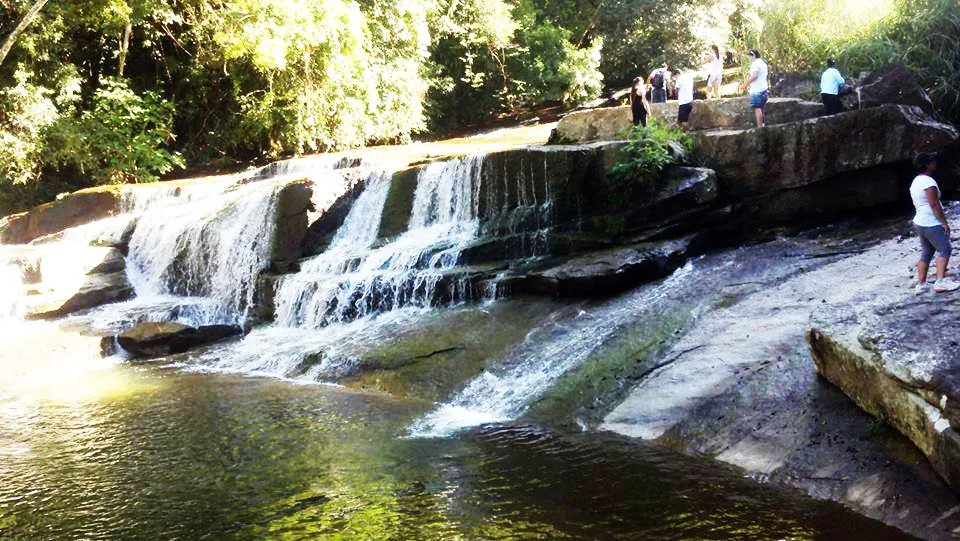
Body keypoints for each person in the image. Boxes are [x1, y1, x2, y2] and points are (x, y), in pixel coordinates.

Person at [910, 152, 959, 293]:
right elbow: (934, 204)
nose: (935, 163)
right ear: (927, 165)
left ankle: (922, 285)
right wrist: (944, 222)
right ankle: (940, 282)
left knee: (927, 252)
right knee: (945, 249)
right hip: (931, 222)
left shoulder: (916, 180)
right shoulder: (928, 182)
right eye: (932, 161)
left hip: (920, 221)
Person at [742, 49, 768, 128]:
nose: (749, 58)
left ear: (753, 55)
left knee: (757, 109)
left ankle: (759, 127)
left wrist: (745, 84)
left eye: (749, 56)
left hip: (757, 90)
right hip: (764, 88)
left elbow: (754, 76)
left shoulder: (755, 64)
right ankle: (763, 125)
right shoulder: (763, 63)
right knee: (762, 108)